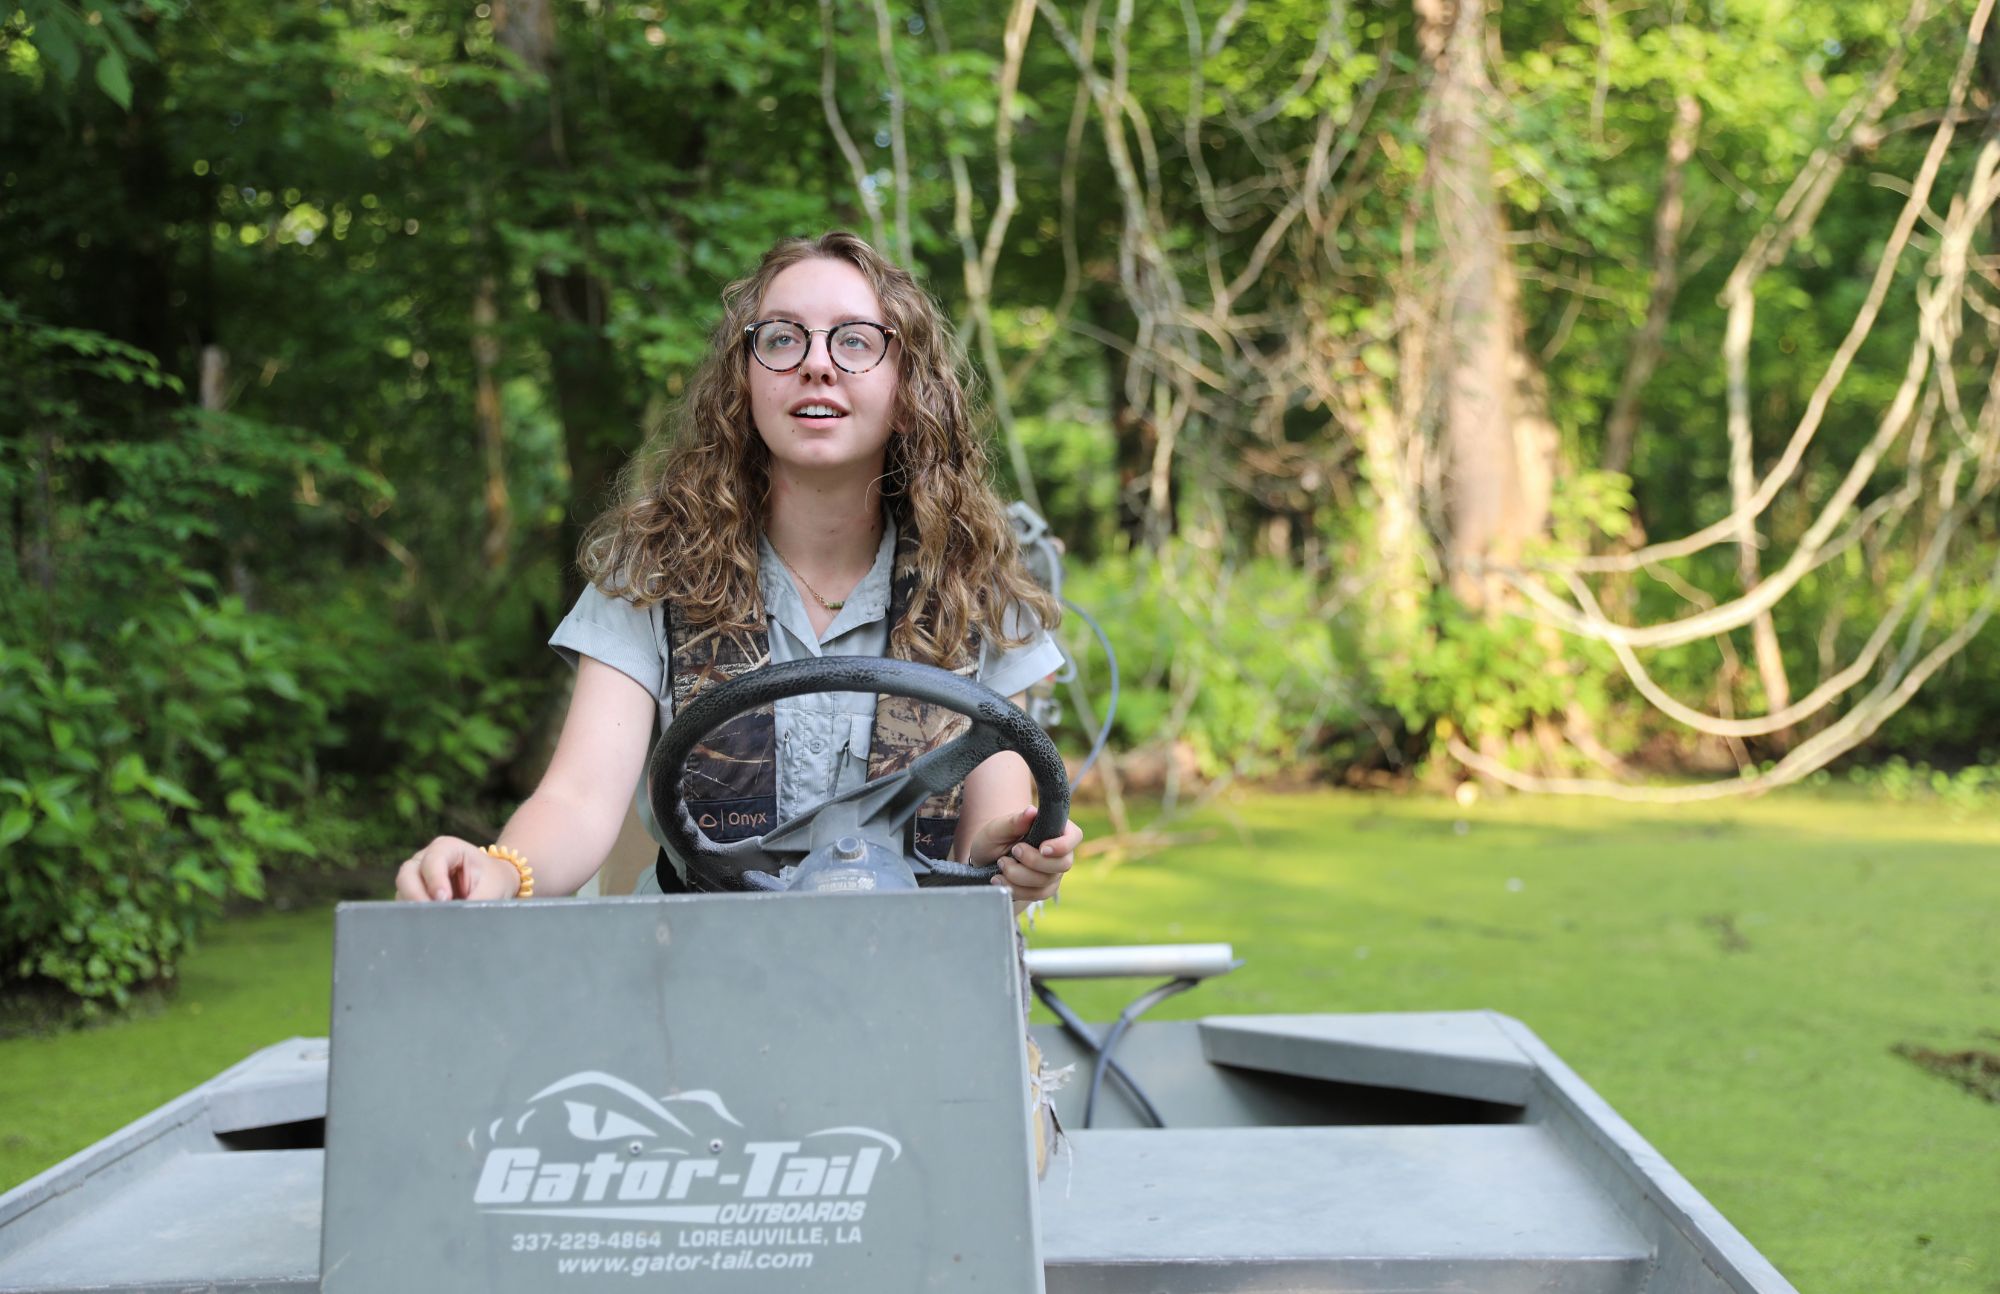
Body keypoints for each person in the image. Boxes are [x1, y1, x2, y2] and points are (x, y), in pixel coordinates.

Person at [394, 230, 1082, 907]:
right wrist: (498, 872)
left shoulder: (974, 583)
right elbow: (576, 800)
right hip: (690, 980)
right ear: (743, 384)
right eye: (782, 338)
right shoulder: (654, 569)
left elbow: (986, 843)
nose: (816, 364)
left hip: (913, 982)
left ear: (908, 392)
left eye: (855, 341)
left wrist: (1017, 858)